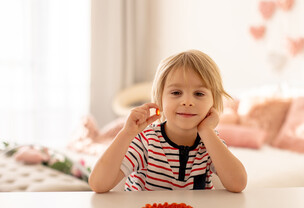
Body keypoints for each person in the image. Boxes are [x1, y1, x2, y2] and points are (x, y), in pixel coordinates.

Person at [89, 50, 247, 193]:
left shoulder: (210, 142)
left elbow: (238, 184)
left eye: (199, 94)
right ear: (160, 99)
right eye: (176, 92)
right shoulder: (146, 141)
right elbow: (98, 184)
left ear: (213, 102)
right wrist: (126, 134)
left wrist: (206, 131)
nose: (187, 101)